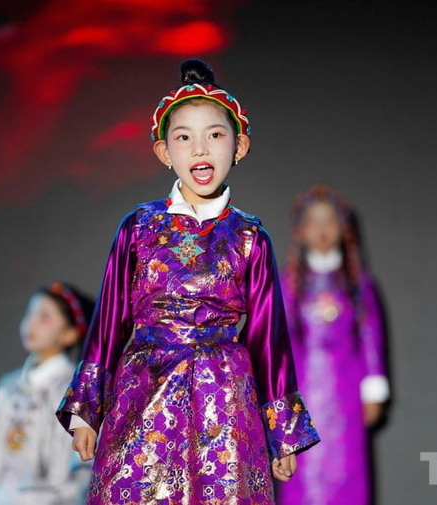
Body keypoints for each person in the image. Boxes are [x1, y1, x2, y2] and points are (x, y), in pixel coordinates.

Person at [55, 59, 319, 504]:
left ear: (239, 145)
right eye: (184, 138)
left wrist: (283, 433)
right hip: (144, 388)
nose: (200, 149)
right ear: (164, 152)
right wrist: (87, 411)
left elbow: (266, 338)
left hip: (224, 398)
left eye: (215, 135)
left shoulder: (250, 237)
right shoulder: (139, 227)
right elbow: (110, 321)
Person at [277, 185, 390, 505]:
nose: (322, 229)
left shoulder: (358, 285)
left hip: (346, 393)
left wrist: (374, 388)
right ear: (300, 231)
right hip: (302, 393)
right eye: (313, 221)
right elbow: (277, 343)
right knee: (304, 473)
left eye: (329, 221)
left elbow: (370, 336)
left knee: (348, 466)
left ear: (343, 229)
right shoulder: (287, 285)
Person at [0, 282, 94, 505]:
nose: (31, 324)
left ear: (69, 333)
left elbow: (83, 469)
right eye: (29, 313)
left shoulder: (76, 392)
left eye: (44, 317)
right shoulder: (8, 387)